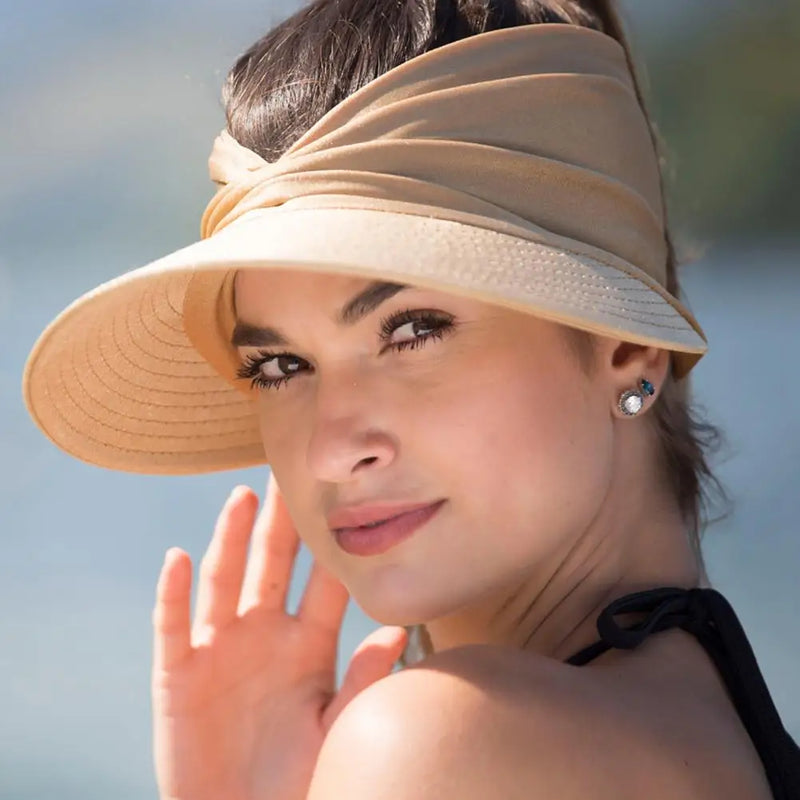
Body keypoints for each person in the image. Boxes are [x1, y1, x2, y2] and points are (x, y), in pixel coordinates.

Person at [21, 1, 800, 798]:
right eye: (280, 366)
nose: (330, 449)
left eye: (413, 329)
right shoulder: (720, 731)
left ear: (627, 344)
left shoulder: (437, 745)